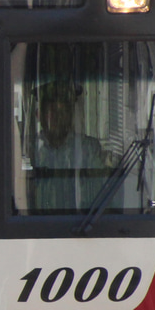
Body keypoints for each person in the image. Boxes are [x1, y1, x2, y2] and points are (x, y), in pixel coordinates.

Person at [28, 79, 107, 212]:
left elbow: (101, 196)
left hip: (81, 225)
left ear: (70, 115)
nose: (58, 117)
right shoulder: (29, 149)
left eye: (64, 111)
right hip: (35, 228)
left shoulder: (88, 148)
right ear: (39, 115)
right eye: (52, 110)